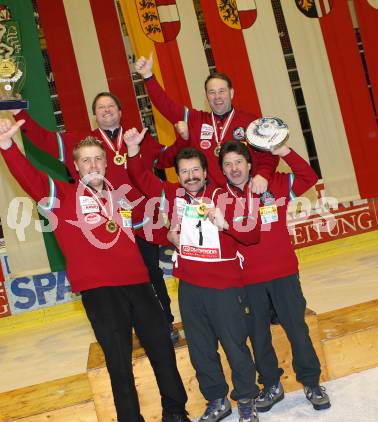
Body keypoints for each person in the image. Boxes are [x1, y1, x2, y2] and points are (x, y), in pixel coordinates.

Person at [0, 118, 190, 422]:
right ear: (75, 167)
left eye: (98, 158)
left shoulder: (122, 195)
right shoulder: (61, 196)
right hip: (100, 291)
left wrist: (171, 236)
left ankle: (175, 412)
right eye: (86, 160)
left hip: (138, 284)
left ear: (106, 163)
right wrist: (7, 145)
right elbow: (28, 176)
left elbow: (147, 230)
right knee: (119, 363)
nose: (93, 164)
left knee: (162, 350)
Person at [12, 93, 177, 340]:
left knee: (151, 278)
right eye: (101, 107)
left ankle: (165, 325)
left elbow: (166, 158)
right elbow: (43, 139)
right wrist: (19, 112)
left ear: (121, 112)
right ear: (95, 114)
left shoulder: (138, 138)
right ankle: (130, 333)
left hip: (141, 225)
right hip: (103, 228)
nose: (107, 110)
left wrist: (185, 137)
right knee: (113, 288)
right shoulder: (81, 143)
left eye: (111, 106)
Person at [124, 127, 261, 422]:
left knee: (235, 345)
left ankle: (247, 399)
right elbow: (142, 178)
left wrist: (226, 224)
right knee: (200, 351)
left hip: (224, 286)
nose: (191, 176)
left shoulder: (224, 196)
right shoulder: (172, 195)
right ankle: (216, 400)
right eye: (184, 172)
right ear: (178, 175)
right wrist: (134, 151)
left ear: (205, 171)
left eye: (195, 170)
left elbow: (251, 236)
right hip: (189, 287)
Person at [217, 140, 331, 413]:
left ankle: (312, 382)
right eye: (228, 164)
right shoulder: (217, 197)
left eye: (239, 162)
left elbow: (309, 177)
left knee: (297, 329)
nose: (234, 169)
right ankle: (271, 384)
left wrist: (284, 153)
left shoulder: (273, 184)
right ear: (221, 169)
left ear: (249, 164)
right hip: (248, 280)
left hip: (283, 273)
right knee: (258, 336)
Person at [134, 53, 279, 193]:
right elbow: (166, 105)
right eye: (212, 92)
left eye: (222, 91)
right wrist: (148, 76)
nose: (217, 97)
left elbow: (271, 154)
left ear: (232, 93)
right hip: (212, 200)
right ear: (206, 96)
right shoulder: (195, 120)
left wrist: (263, 175)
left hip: (247, 194)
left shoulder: (250, 122)